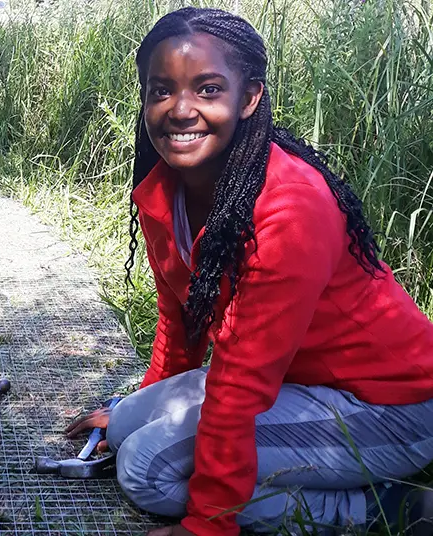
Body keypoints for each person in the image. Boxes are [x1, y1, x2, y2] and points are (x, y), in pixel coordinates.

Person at [64, 7, 433, 536]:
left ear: (250, 97)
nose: (180, 109)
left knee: (146, 471)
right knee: (125, 428)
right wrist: (141, 409)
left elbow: (238, 384)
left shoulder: (290, 209)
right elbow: (179, 319)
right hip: (300, 384)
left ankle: (384, 508)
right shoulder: (163, 195)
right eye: (160, 90)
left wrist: (208, 524)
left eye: (208, 90)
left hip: (392, 406)